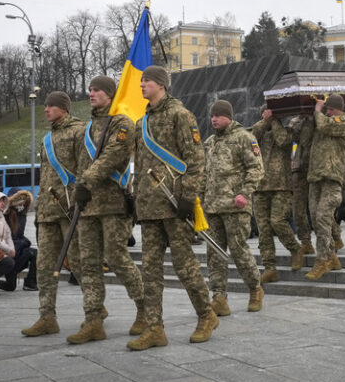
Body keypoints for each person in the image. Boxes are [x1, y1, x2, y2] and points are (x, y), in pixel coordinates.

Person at [127, 65, 217, 351]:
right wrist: (136, 198)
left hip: (174, 203)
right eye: (142, 81)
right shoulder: (141, 122)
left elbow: (196, 158)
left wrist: (188, 196)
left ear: (162, 85)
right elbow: (141, 165)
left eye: (147, 81)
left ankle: (207, 315)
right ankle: (155, 329)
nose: (142, 85)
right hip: (150, 207)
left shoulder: (180, 115)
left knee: (185, 265)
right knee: (150, 271)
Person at [67, 75, 145, 345]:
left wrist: (86, 182)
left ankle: (144, 308)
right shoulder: (86, 128)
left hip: (113, 204)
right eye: (90, 89)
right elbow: (79, 165)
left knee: (116, 257)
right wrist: (77, 196)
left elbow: (114, 155)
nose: (91, 93)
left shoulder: (122, 123)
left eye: (97, 90)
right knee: (88, 263)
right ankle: (93, 320)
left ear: (110, 94)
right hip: (87, 205)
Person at [22, 91, 86, 337]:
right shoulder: (48, 137)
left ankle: (95, 309)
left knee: (78, 263)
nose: (46, 109)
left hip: (69, 209)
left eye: (51, 106)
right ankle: (47, 316)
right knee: (45, 265)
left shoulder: (79, 132)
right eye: (45, 105)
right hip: (47, 211)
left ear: (64, 108)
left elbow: (86, 170)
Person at [203, 99, 265, 316]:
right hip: (212, 207)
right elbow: (204, 174)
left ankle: (255, 289)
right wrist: (199, 200)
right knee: (214, 254)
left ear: (228, 117)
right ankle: (219, 298)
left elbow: (256, 168)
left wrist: (245, 193)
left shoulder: (244, 138)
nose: (213, 119)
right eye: (212, 116)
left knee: (239, 250)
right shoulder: (210, 142)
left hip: (235, 206)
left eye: (218, 115)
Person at [252, 105, 302, 282]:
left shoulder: (287, 131)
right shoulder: (258, 131)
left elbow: (283, 141)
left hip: (281, 185)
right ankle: (269, 267)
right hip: (260, 187)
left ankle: (295, 249)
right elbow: (249, 139)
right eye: (265, 114)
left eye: (270, 114)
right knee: (263, 229)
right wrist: (264, 122)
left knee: (277, 221)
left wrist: (273, 121)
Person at [305, 94, 345, 280]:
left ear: (338, 109)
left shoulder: (344, 121)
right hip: (315, 176)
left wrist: (318, 110)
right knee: (315, 218)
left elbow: (325, 125)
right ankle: (332, 256)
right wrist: (309, 117)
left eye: (331, 109)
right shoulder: (321, 121)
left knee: (323, 216)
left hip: (332, 177)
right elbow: (305, 139)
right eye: (327, 109)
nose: (329, 112)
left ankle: (322, 260)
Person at [288, 114, 316, 255]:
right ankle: (305, 241)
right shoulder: (296, 120)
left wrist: (314, 115)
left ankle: (334, 237)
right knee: (297, 209)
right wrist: (302, 119)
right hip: (299, 167)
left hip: (317, 167)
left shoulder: (321, 117)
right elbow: (292, 138)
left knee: (317, 209)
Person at [0, 188, 37, 292]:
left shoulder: (22, 214)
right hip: (10, 252)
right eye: (19, 201)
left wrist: (24, 242)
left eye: (24, 202)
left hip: (19, 250)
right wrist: (25, 242)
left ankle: (30, 282)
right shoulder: (6, 215)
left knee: (35, 253)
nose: (22, 204)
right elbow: (10, 238)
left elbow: (19, 235)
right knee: (10, 286)